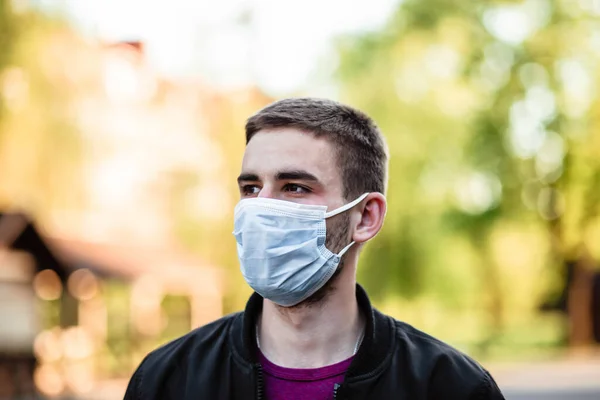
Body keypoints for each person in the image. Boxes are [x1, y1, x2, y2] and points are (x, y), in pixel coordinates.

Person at [124, 98, 505, 400]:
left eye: (294, 187)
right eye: (251, 189)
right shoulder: (167, 380)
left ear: (366, 217)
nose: (262, 208)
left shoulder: (449, 387)